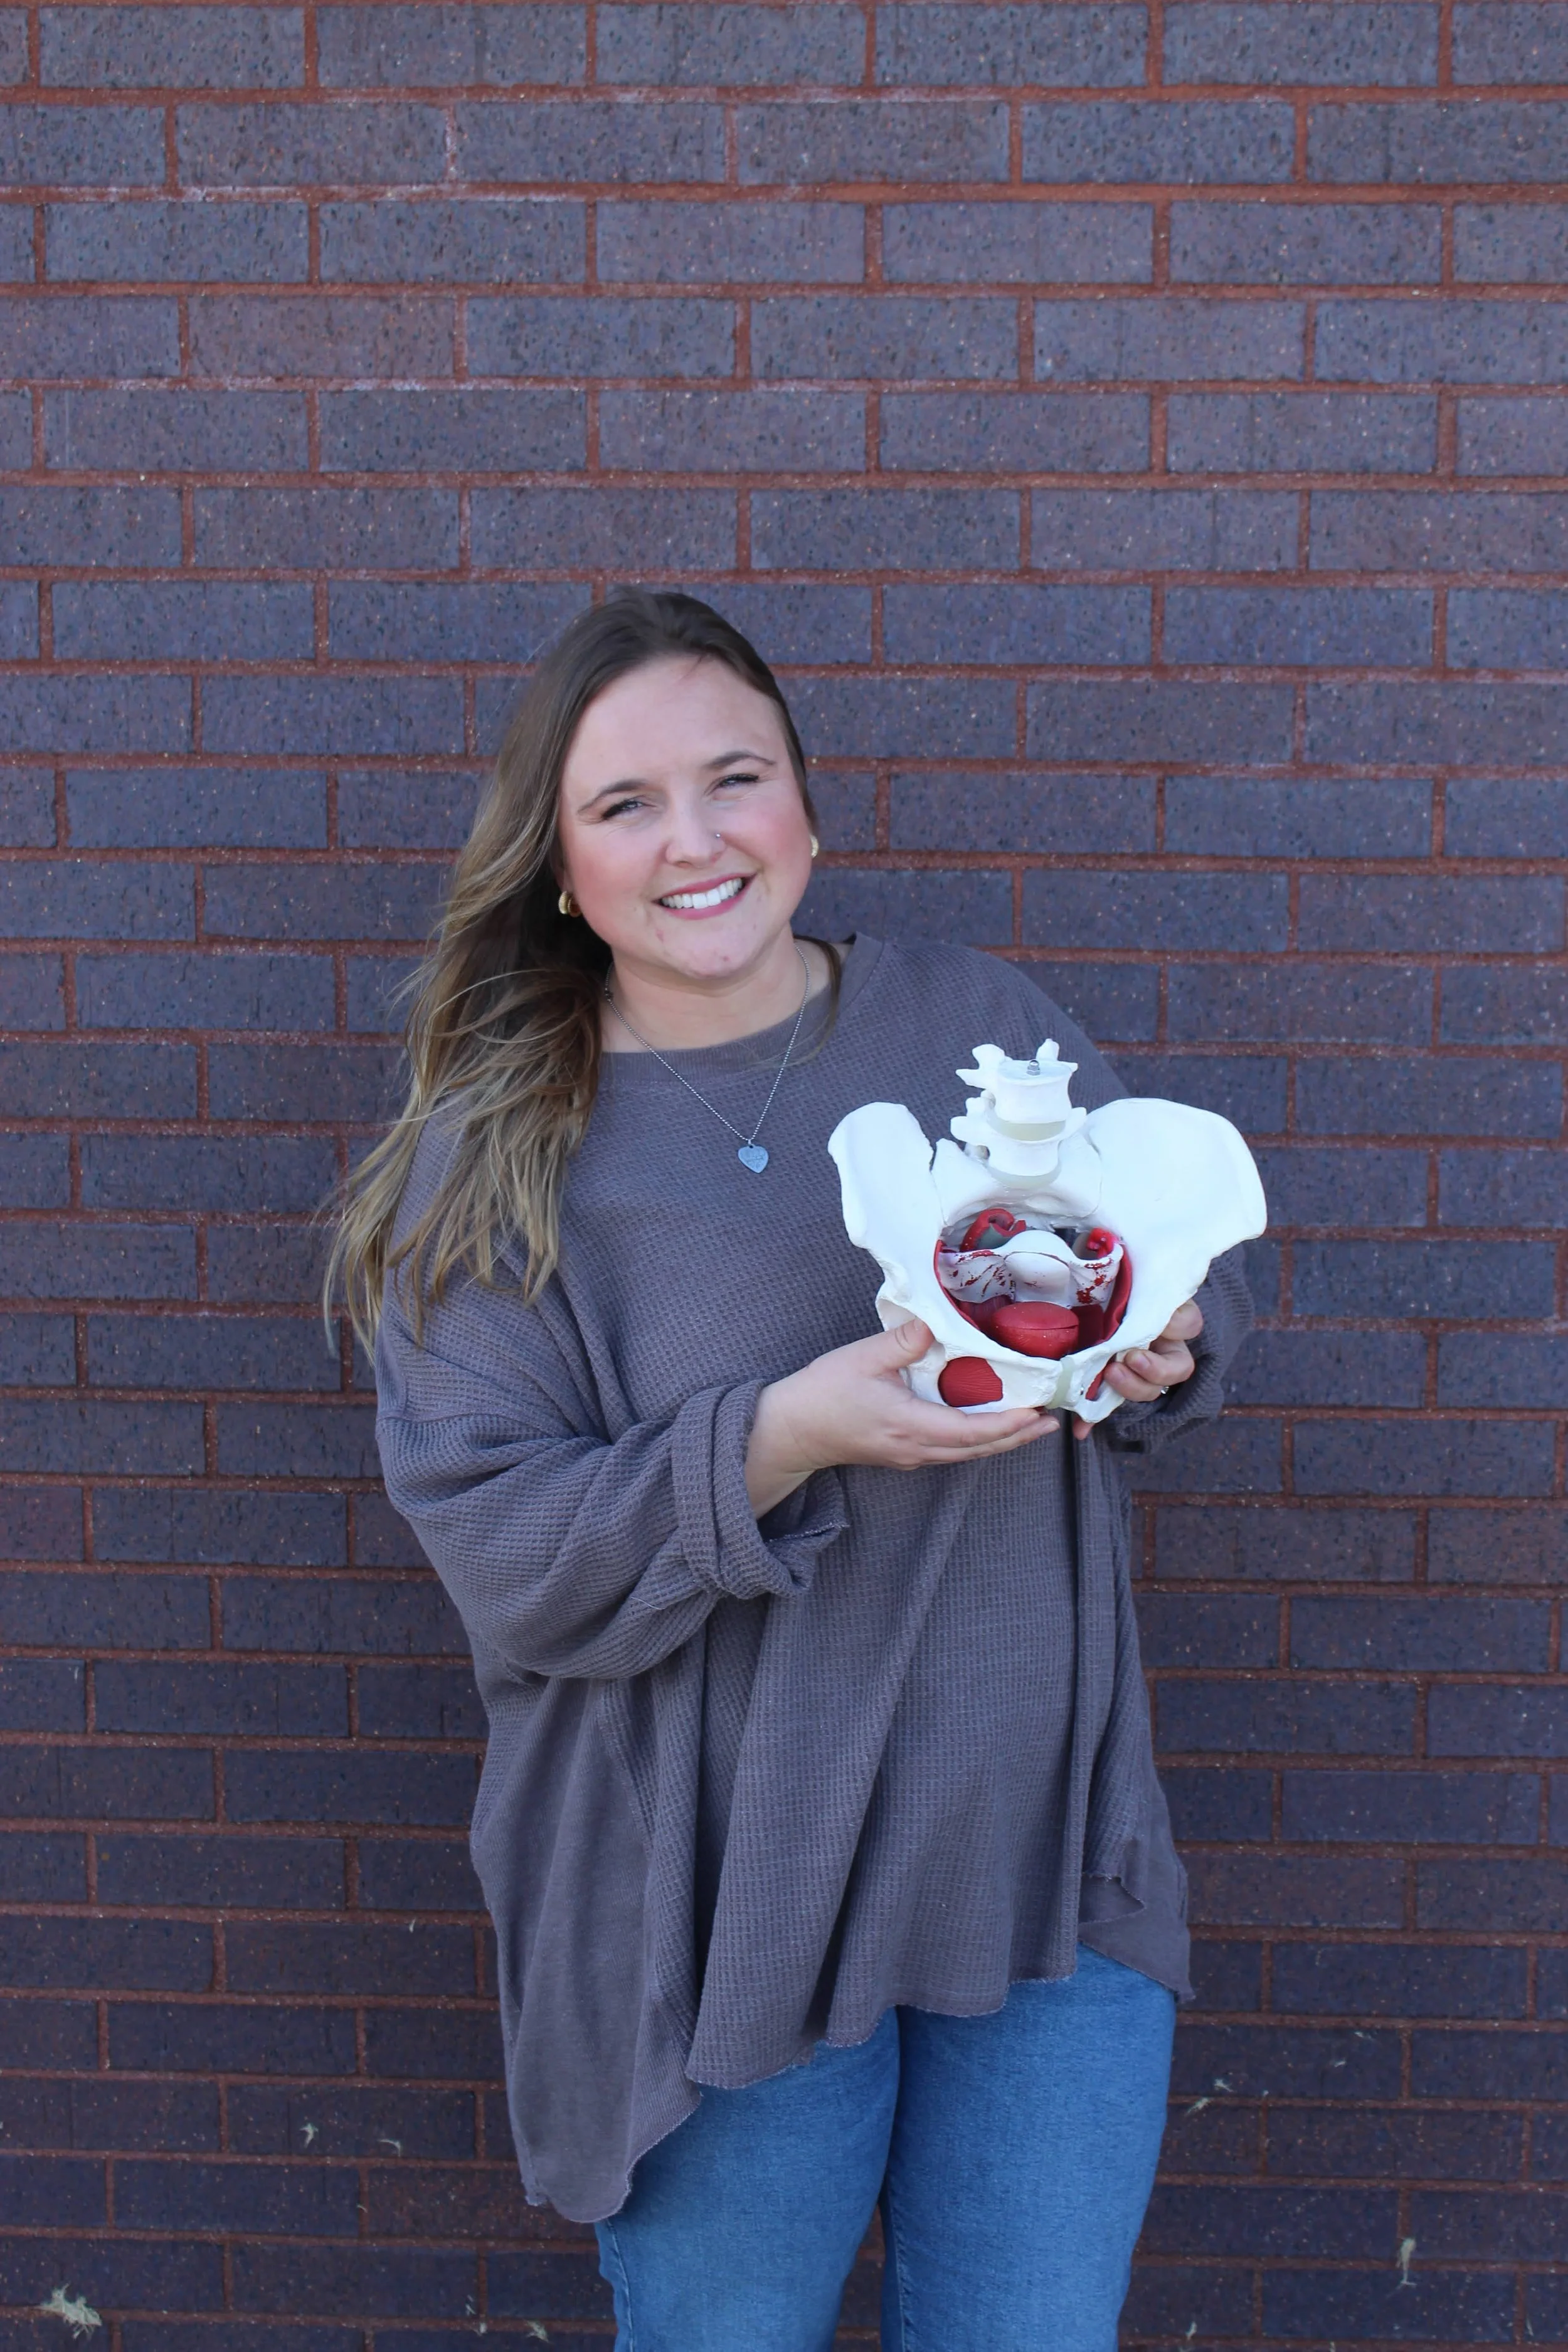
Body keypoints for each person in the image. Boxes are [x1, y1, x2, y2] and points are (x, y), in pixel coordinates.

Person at [332, 590, 1252, 2352]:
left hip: (1042, 1881)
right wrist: (785, 1434)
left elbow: (1156, 1277)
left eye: (732, 778)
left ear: (806, 811)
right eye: (623, 804)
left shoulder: (977, 1020)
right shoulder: (497, 1161)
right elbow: (507, 1548)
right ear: (556, 863)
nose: (694, 840)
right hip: (720, 1930)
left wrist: (1169, 1347)